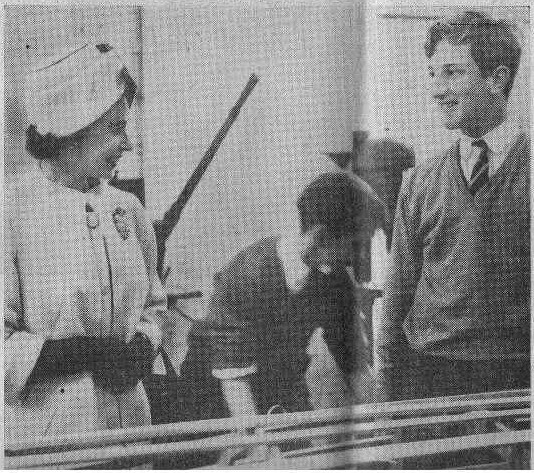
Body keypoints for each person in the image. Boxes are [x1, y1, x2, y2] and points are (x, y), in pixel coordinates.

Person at [4, 43, 165, 449]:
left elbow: (154, 306)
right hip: (56, 443)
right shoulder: (12, 213)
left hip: (132, 428)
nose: (128, 143)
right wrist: (86, 353)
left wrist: (145, 345)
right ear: (73, 129)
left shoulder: (128, 209)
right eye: (116, 127)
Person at [377, 11, 529, 403]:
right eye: (433, 74)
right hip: (427, 376)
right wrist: (391, 393)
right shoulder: (419, 181)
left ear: (497, 79)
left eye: (453, 72)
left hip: (513, 379)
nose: (437, 89)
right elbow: (396, 300)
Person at [194, 171, 385, 464]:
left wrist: (383, 428)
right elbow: (234, 381)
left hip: (283, 390)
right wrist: (257, 448)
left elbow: (356, 369)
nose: (360, 256)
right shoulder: (246, 277)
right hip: (219, 400)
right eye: (357, 244)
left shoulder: (334, 280)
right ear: (321, 238)